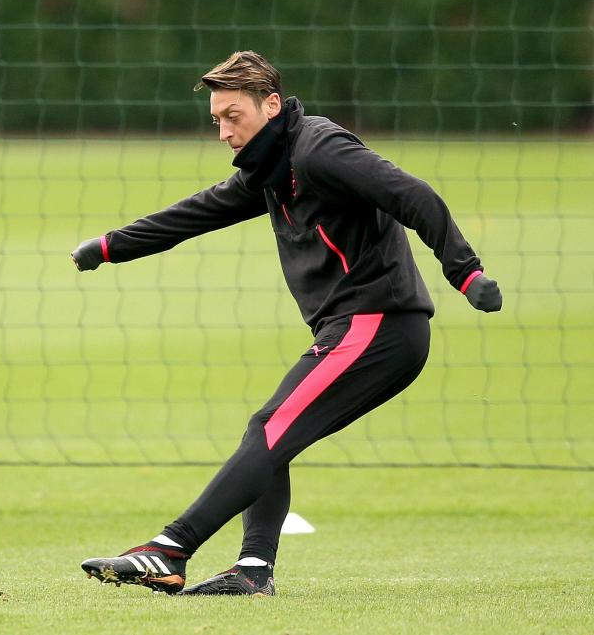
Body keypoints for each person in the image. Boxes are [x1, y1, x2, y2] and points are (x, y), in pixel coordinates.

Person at [70, 51, 502, 597]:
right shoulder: (272, 168)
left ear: (271, 106)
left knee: (268, 432)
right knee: (271, 435)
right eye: (217, 120)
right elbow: (197, 213)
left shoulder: (320, 149)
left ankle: (169, 549)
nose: (224, 131)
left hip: (379, 326)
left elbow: (412, 195)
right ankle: (253, 571)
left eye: (233, 117)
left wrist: (466, 273)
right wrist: (110, 247)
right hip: (354, 329)